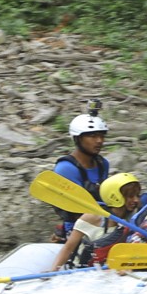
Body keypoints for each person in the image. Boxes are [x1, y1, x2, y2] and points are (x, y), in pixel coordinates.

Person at [46, 172, 141, 271]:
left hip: (106, 271)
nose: (136, 200)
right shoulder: (92, 217)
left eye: (137, 196)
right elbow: (68, 248)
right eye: (131, 196)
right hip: (80, 272)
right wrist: (53, 271)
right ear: (115, 196)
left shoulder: (132, 219)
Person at [50, 100, 111, 242]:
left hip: (102, 221)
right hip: (78, 228)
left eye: (101, 136)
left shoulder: (103, 164)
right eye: (92, 136)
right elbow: (73, 209)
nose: (99, 141)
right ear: (78, 139)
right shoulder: (66, 168)